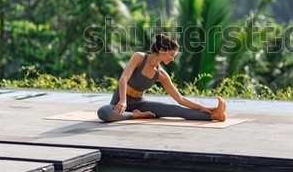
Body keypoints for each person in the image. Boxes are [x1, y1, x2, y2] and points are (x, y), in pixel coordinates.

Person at [97, 34, 227, 122]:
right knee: (104, 112)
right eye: (171, 55)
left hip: (140, 103)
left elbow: (180, 99)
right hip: (120, 100)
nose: (172, 59)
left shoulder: (161, 75)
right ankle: (136, 115)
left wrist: (204, 108)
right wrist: (123, 101)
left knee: (178, 111)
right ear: (162, 50)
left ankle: (215, 115)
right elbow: (124, 78)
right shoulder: (139, 57)